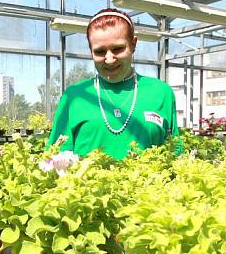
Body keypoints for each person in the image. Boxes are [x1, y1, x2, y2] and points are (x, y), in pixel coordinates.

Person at [47, 8, 180, 159]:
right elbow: (55, 159)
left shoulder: (160, 92)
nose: (109, 59)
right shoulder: (74, 97)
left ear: (133, 44)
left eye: (118, 49)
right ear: (90, 51)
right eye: (99, 51)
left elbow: (175, 154)